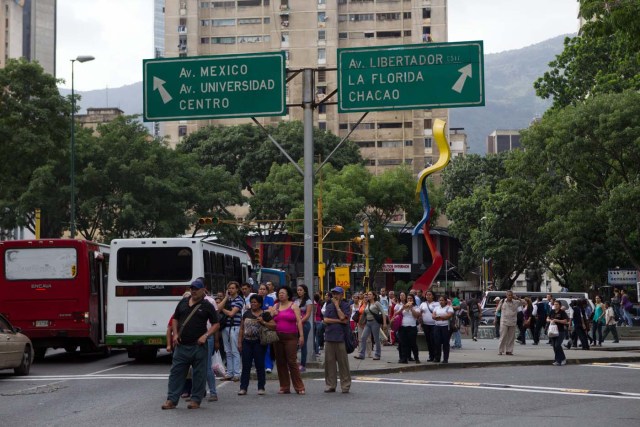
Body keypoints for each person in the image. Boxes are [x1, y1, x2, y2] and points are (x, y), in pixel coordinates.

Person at [162, 279, 219, 410]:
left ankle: (195, 400)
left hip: (198, 346)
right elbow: (175, 318)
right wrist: (175, 334)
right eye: (192, 288)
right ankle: (171, 399)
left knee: (199, 374)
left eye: (196, 288)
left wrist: (206, 336)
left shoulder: (207, 305)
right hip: (182, 346)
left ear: (202, 290)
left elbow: (216, 324)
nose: (193, 291)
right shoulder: (182, 302)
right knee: (176, 373)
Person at [269, 286, 305, 394]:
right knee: (280, 362)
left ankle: (299, 387)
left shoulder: (294, 306)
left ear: (288, 295)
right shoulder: (275, 306)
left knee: (292, 362)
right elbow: (268, 320)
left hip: (291, 337)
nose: (281, 294)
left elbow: (299, 321)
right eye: (279, 293)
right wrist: (272, 314)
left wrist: (301, 336)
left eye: (283, 293)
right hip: (277, 337)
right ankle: (284, 386)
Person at [237, 294, 275, 396]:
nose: (253, 304)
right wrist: (239, 342)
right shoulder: (246, 314)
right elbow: (241, 328)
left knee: (259, 365)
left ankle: (261, 387)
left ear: (260, 304)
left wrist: (263, 322)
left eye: (255, 302)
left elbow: (273, 325)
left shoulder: (265, 314)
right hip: (247, 342)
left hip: (259, 342)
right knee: (246, 365)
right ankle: (243, 387)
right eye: (252, 302)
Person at [323, 286, 352, 393]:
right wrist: (339, 320)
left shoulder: (345, 305)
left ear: (341, 295)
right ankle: (331, 385)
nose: (335, 296)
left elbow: (345, 319)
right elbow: (326, 319)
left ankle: (345, 385)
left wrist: (337, 306)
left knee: (343, 364)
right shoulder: (328, 306)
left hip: (341, 338)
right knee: (329, 363)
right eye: (333, 293)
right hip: (329, 337)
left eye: (337, 294)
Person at [219, 281, 244, 381]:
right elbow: (217, 308)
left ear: (237, 289)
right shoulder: (227, 299)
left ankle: (237, 373)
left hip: (235, 327)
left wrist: (223, 310)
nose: (231, 290)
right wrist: (225, 298)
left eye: (233, 288)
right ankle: (229, 373)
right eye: (229, 288)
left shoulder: (239, 300)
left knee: (235, 351)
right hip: (226, 327)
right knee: (227, 351)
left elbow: (232, 314)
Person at [354, 291, 386, 361]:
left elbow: (383, 313)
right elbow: (364, 314)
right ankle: (362, 354)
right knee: (363, 337)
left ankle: (377, 355)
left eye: (370, 294)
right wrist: (360, 322)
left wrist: (384, 323)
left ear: (374, 296)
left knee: (376, 339)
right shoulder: (367, 304)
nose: (368, 295)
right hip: (368, 323)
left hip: (375, 323)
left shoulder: (376, 303)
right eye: (368, 294)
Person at [396, 293, 420, 364]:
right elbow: (397, 314)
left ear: (413, 300)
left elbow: (416, 316)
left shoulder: (416, 307)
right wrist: (403, 308)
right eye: (408, 298)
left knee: (413, 343)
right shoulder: (403, 306)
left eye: (411, 299)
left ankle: (416, 358)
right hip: (403, 326)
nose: (409, 300)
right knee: (403, 343)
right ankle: (404, 358)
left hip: (412, 327)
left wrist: (411, 308)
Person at [294, 284, 313, 372]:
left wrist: (300, 322)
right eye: (298, 290)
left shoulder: (308, 301)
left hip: (304, 324)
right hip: (294, 324)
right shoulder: (295, 301)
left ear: (305, 291)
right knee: (294, 344)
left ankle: (303, 364)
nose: (299, 291)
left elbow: (308, 314)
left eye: (301, 290)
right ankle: (294, 363)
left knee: (302, 344)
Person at [257, 283, 275, 373]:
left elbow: (271, 310)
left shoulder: (270, 299)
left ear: (267, 291)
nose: (262, 291)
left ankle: (268, 365)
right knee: (258, 346)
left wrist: (262, 311)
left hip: (267, 324)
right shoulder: (255, 298)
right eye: (260, 289)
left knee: (267, 346)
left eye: (264, 289)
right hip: (257, 324)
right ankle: (260, 366)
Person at [547, 300, 569, 366]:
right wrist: (550, 320)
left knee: (557, 345)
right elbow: (547, 318)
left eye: (557, 304)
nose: (555, 305)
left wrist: (557, 320)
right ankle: (560, 359)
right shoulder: (552, 311)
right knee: (554, 346)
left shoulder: (562, 312)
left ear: (559, 305)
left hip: (560, 331)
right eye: (554, 304)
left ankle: (559, 360)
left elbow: (565, 321)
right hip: (553, 331)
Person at [432, 295, 454, 363]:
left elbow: (449, 315)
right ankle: (437, 357)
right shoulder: (436, 308)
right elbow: (433, 316)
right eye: (440, 300)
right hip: (437, 327)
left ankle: (445, 359)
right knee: (437, 343)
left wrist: (440, 317)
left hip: (445, 327)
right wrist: (439, 317)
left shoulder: (449, 308)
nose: (441, 302)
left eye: (442, 300)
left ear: (445, 301)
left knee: (445, 343)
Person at [497, 290, 519, 355]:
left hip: (513, 321)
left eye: (511, 295)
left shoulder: (516, 302)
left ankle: (509, 351)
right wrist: (496, 318)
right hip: (504, 321)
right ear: (506, 295)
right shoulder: (502, 301)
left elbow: (525, 302)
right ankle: (500, 350)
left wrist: (517, 298)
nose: (510, 296)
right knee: (503, 336)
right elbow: (497, 310)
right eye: (509, 295)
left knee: (511, 337)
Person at [419, 291, 439, 362]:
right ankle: (431, 356)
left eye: (430, 295)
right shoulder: (423, 304)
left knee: (434, 340)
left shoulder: (436, 304)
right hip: (425, 325)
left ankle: (436, 356)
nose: (428, 296)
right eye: (427, 295)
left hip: (434, 325)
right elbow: (419, 313)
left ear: (433, 296)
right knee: (428, 341)